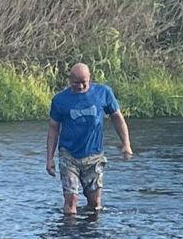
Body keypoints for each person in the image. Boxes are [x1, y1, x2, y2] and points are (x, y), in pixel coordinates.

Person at [46, 61, 133, 215]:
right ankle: (69, 235)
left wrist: (126, 144)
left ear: (90, 79)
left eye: (83, 83)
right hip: (69, 155)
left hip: (94, 156)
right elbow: (53, 128)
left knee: (94, 203)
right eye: (75, 83)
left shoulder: (103, 93)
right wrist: (50, 159)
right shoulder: (60, 100)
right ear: (69, 80)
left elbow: (117, 118)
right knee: (71, 200)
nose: (79, 86)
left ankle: (91, 236)